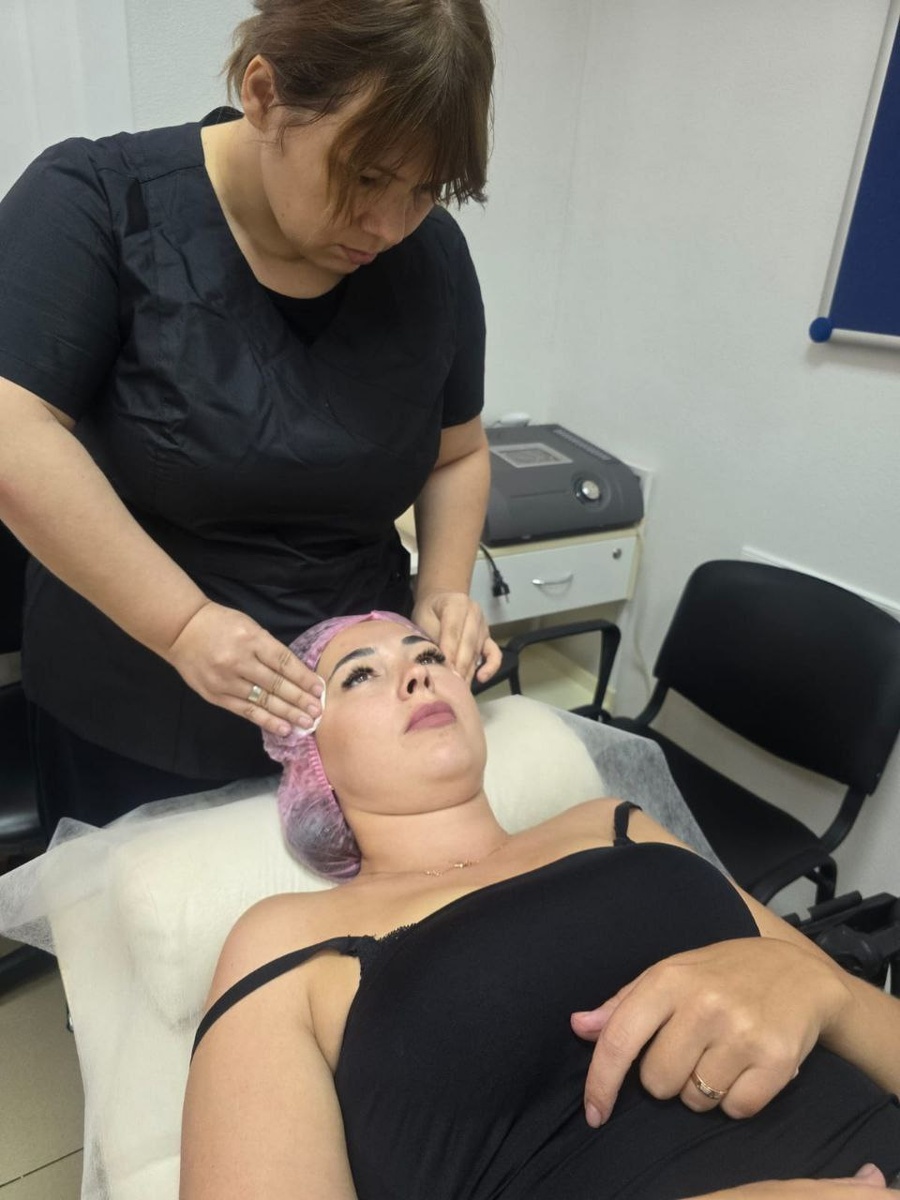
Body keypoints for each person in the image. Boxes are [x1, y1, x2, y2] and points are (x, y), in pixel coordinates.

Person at [181, 611, 900, 1200]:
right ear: (310, 761)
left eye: (427, 654)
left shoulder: (612, 822)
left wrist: (824, 989)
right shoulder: (287, 938)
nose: (419, 673)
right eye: (360, 674)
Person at [0, 0, 501, 833]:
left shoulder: (431, 255)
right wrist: (185, 625)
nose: (388, 225)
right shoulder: (96, 203)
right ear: (264, 95)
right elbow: (12, 431)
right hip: (135, 711)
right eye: (366, 176)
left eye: (424, 190)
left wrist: (443, 589)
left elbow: (457, 454)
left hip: (351, 724)